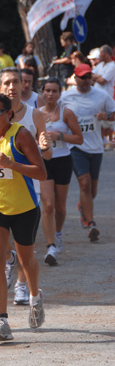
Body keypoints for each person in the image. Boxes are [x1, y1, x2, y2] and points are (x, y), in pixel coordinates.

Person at [0, 67, 52, 306]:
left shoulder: (34, 115)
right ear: (0, 88)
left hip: (28, 188)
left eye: (16, 82)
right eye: (7, 82)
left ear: (23, 85)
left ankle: (22, 287)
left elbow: (45, 159)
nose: (12, 86)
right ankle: (1, 316)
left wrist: (46, 145)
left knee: (25, 250)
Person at [61, 63, 115, 242]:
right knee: (84, 184)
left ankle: (83, 206)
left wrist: (106, 117)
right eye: (82, 77)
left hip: (96, 147)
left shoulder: (101, 95)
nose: (86, 80)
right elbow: (55, 113)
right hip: (76, 146)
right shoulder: (65, 96)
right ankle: (91, 223)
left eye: (89, 77)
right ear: (75, 78)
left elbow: (113, 112)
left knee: (92, 190)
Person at [39, 78, 83, 264]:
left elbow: (79, 139)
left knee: (60, 207)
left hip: (63, 160)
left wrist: (60, 136)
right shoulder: (37, 114)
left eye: (54, 91)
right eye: (47, 90)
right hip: (44, 162)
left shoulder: (67, 113)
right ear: (42, 92)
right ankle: (51, 247)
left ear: (60, 93)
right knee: (48, 205)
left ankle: (58, 232)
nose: (50, 94)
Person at [92, 45, 115, 149]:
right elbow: (91, 76)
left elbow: (103, 80)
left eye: (101, 53)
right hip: (96, 97)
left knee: (108, 118)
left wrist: (97, 77)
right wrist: (99, 76)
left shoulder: (112, 66)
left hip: (107, 96)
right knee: (99, 119)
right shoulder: (100, 65)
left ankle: (108, 141)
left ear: (106, 54)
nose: (99, 55)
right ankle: (102, 141)